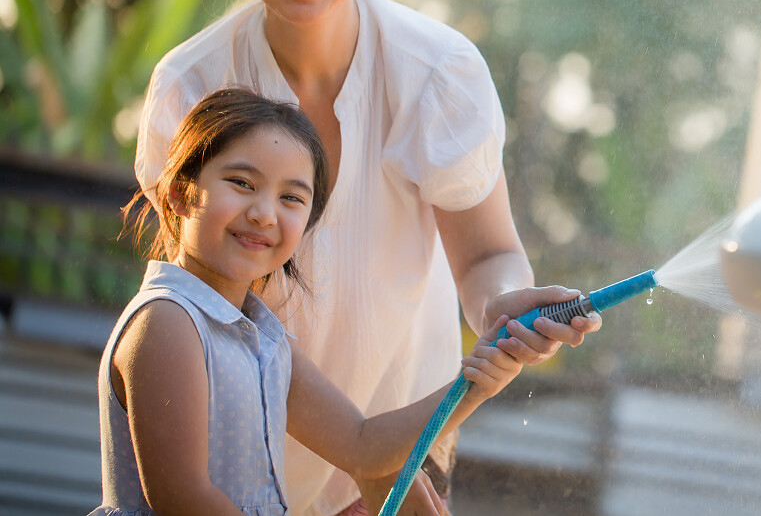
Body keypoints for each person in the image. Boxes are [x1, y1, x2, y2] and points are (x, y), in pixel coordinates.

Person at [134, 0, 601, 515]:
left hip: (396, 436)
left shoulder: (438, 71)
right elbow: (194, 300)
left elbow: (483, 255)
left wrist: (503, 309)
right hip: (237, 460)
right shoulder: (192, 85)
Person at [97, 87, 522, 516]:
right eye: (242, 183)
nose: (265, 213)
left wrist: (474, 385)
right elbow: (182, 498)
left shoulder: (265, 337)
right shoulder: (168, 321)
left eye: (291, 198)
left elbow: (362, 445)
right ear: (180, 192)